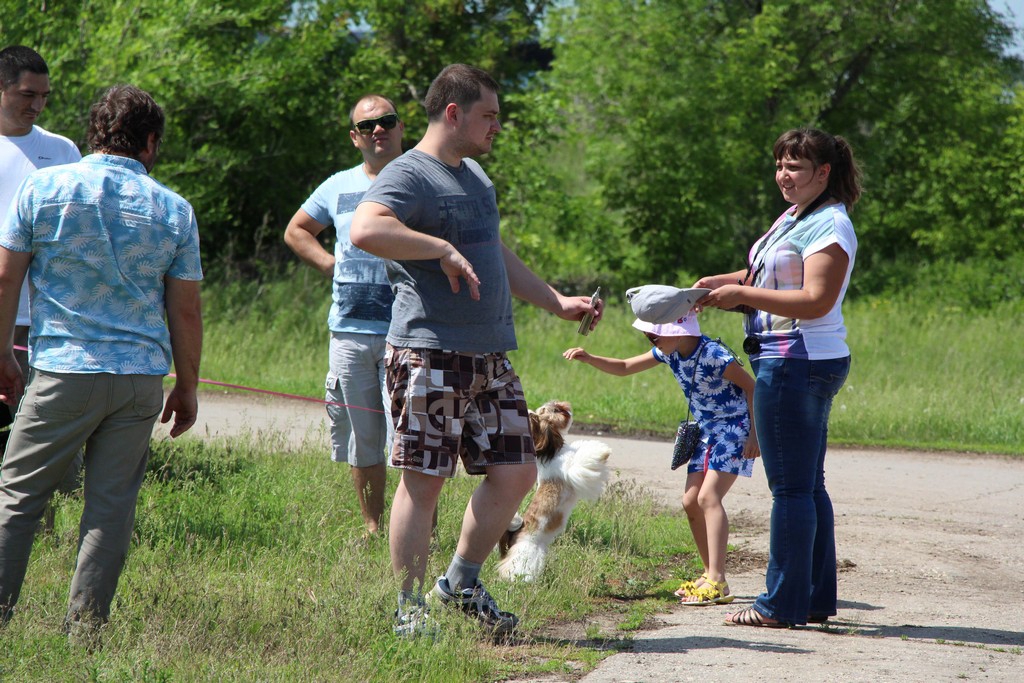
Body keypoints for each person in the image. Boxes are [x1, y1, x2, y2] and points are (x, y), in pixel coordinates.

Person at [350, 63, 602, 637]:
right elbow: (366, 229)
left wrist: (555, 300)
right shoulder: (409, 174)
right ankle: (409, 611)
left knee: (515, 473)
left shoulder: (476, 177)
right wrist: (437, 247)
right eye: (489, 115)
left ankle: (460, 582)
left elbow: (494, 252)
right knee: (425, 480)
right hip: (430, 353)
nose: (496, 126)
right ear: (454, 113)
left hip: (490, 355)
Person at [0, 84, 203, 644]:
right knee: (110, 509)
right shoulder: (173, 209)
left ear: (93, 133)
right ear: (151, 143)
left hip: (63, 370)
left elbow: (4, 278)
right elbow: (185, 311)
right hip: (138, 380)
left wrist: (1, 355)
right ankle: (84, 633)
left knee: (17, 498)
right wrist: (186, 388)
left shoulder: (45, 188)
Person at [695, 127, 861, 628]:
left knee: (790, 489)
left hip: (798, 360)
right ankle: (810, 599)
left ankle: (779, 604)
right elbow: (766, 278)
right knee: (808, 486)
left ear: (823, 173)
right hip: (789, 359)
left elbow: (815, 300)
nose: (784, 176)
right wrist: (717, 284)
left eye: (796, 168)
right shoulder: (794, 217)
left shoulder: (830, 224)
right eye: (781, 166)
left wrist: (742, 298)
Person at [563, 312, 758, 606]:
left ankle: (717, 580)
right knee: (690, 501)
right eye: (648, 335)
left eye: (655, 335)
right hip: (706, 432)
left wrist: (756, 435)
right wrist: (590, 358)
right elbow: (626, 366)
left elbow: (753, 387)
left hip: (734, 430)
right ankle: (710, 574)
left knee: (708, 498)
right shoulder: (670, 352)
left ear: (679, 331)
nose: (650, 340)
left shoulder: (714, 355)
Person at [284, 94, 405, 536]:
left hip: (407, 332)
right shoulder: (337, 185)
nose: (379, 130)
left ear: (401, 129)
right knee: (363, 437)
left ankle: (417, 529)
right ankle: (373, 527)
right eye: (368, 125)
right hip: (350, 331)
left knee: (409, 438)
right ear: (355, 137)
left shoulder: (423, 178)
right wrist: (331, 265)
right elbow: (297, 230)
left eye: (387, 121)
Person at [0, 46, 82, 459]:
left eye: (45, 96)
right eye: (28, 94)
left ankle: (35, 523)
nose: (38, 105)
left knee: (30, 441)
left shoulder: (63, 152)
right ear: (2, 88)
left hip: (39, 318)